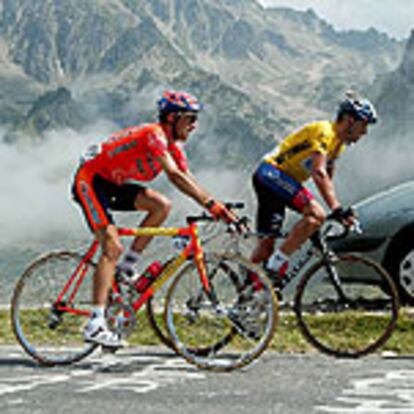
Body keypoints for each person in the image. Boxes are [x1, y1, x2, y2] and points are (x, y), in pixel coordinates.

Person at [72, 90, 237, 347]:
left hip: (113, 184)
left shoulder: (174, 147)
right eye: (190, 119)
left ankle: (126, 268)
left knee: (161, 205)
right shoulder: (154, 135)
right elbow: (174, 176)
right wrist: (211, 205)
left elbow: (188, 178)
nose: (195, 125)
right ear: (172, 118)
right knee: (111, 246)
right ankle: (95, 323)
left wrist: (218, 206)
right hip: (91, 181)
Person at [250, 92, 377, 290]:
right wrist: (335, 208)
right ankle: (275, 266)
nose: (365, 132)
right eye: (364, 124)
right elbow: (318, 173)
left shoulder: (338, 146)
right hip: (272, 173)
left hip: (272, 178)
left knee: (266, 244)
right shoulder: (325, 132)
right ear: (350, 120)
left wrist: (333, 207)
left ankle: (247, 295)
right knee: (316, 214)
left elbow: (327, 176)